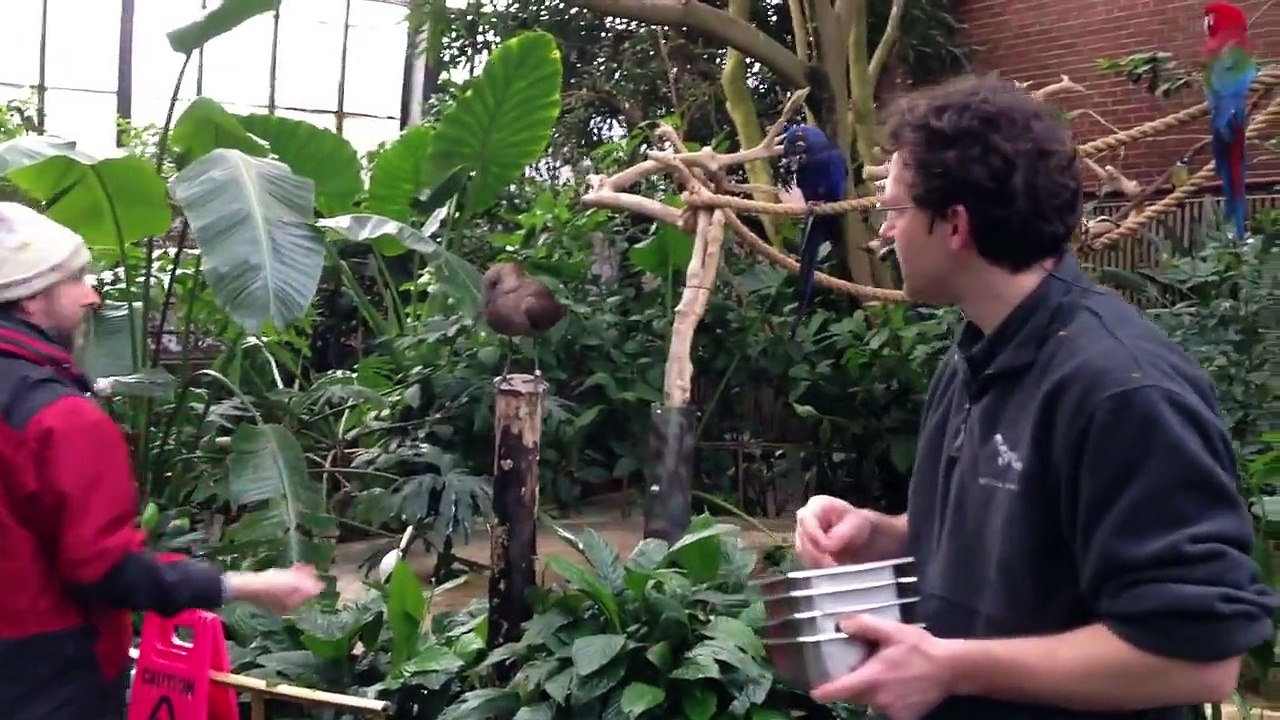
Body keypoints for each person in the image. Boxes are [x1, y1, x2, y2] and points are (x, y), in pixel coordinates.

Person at [792, 74, 1276, 720]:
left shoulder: (1120, 391)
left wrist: (950, 668)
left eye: (895, 210)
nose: (883, 231)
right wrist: (882, 536)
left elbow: (1201, 658)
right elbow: (1023, 529)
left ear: (955, 224)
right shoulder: (978, 352)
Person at [0, 202, 325, 720]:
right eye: (75, 281)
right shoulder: (63, 420)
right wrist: (245, 586)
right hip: (50, 683)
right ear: (32, 301)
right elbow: (103, 569)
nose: (92, 296)